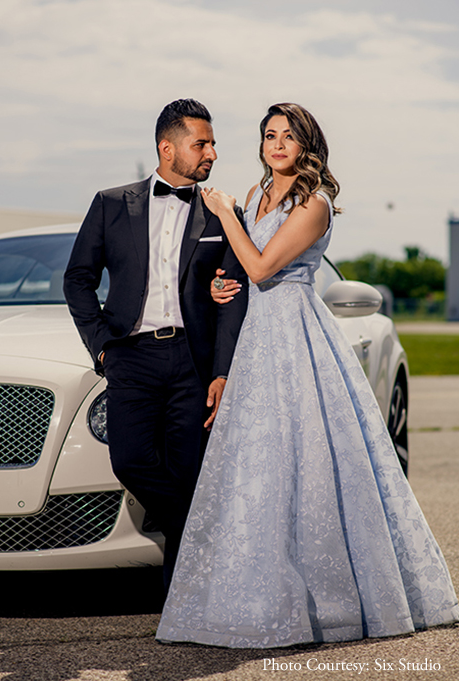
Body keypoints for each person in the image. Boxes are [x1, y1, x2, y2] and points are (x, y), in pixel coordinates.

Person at [156, 102, 459, 648]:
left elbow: (265, 266)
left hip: (297, 335)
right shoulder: (254, 195)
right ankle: (250, 593)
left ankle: (331, 603)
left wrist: (226, 217)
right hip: (255, 340)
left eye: (288, 137)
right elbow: (242, 269)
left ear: (306, 145)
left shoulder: (314, 203)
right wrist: (222, 284)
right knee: (256, 465)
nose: (277, 145)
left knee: (310, 460)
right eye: (270, 135)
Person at [63, 99, 248, 591]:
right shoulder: (110, 203)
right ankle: (212, 539)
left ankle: (180, 605)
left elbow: (233, 297)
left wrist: (222, 370)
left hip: (194, 359)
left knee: (187, 472)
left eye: (211, 143)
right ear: (168, 148)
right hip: (131, 356)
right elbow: (78, 279)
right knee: (130, 461)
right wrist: (102, 346)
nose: (211, 152)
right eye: (200, 143)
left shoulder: (223, 212)